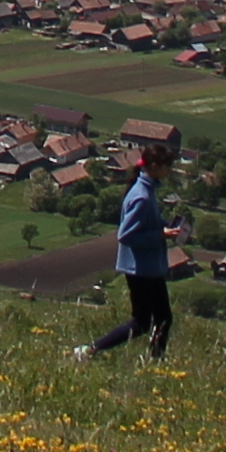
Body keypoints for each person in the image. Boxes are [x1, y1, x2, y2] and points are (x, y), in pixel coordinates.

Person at [79, 141, 174, 361]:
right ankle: (90, 350)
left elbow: (146, 224)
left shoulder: (145, 190)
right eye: (167, 166)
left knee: (163, 318)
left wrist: (164, 227)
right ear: (154, 166)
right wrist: (159, 235)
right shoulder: (142, 196)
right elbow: (126, 235)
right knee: (141, 322)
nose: (169, 170)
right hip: (140, 269)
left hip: (149, 267)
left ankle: (156, 361)